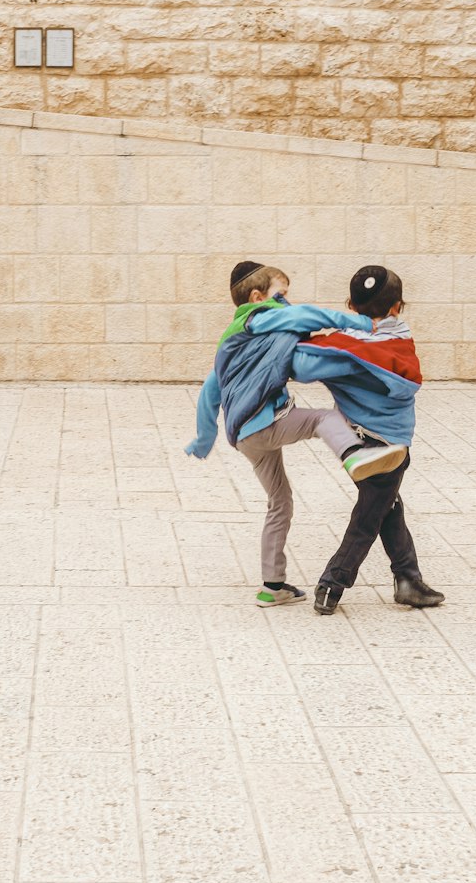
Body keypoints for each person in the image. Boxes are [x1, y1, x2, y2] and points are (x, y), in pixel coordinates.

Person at [185, 260, 407, 608]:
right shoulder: (261, 317)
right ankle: (355, 455)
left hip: (245, 437)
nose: (286, 301)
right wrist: (361, 322)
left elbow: (209, 393)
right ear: (257, 297)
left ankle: (272, 586)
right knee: (322, 418)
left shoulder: (230, 342)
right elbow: (304, 316)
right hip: (268, 421)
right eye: (281, 294)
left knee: (279, 502)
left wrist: (202, 439)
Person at [290, 264, 445, 616]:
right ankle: (333, 583)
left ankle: (408, 579)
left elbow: (301, 365)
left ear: (350, 303)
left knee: (387, 505)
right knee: (369, 517)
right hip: (390, 448)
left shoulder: (344, 349)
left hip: (354, 445)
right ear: (397, 307)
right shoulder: (400, 339)